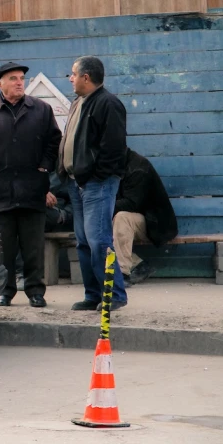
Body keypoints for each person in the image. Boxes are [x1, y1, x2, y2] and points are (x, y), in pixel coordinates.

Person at [0, 62, 62, 308]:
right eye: (13, 78)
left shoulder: (41, 110)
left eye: (22, 78)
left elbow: (54, 143)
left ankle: (35, 291)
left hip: (33, 188)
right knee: (4, 246)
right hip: (2, 190)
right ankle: (5, 291)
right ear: (0, 84)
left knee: (33, 245)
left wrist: (43, 168)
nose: (20, 82)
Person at [59, 56, 129, 311]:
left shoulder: (108, 104)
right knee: (84, 241)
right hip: (77, 184)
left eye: (73, 74)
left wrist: (93, 177)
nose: (71, 79)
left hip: (96, 184)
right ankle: (93, 295)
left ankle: (115, 295)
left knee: (99, 240)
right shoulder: (79, 102)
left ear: (86, 77)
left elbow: (112, 150)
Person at [114, 148, 178, 285]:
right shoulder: (116, 164)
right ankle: (138, 265)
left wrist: (101, 206)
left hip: (155, 223)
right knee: (99, 224)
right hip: (139, 220)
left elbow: (131, 204)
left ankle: (122, 274)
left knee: (121, 218)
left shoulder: (138, 168)